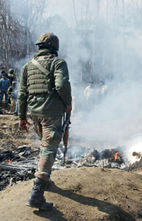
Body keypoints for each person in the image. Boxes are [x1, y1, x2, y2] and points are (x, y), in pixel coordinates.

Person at [18, 33, 72, 210]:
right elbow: (62, 85)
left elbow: (22, 94)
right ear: (54, 48)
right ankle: (36, 194)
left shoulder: (28, 66)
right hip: (51, 112)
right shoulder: (58, 63)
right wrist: (69, 104)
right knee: (48, 149)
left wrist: (21, 118)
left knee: (44, 146)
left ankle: (45, 181)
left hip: (35, 114)